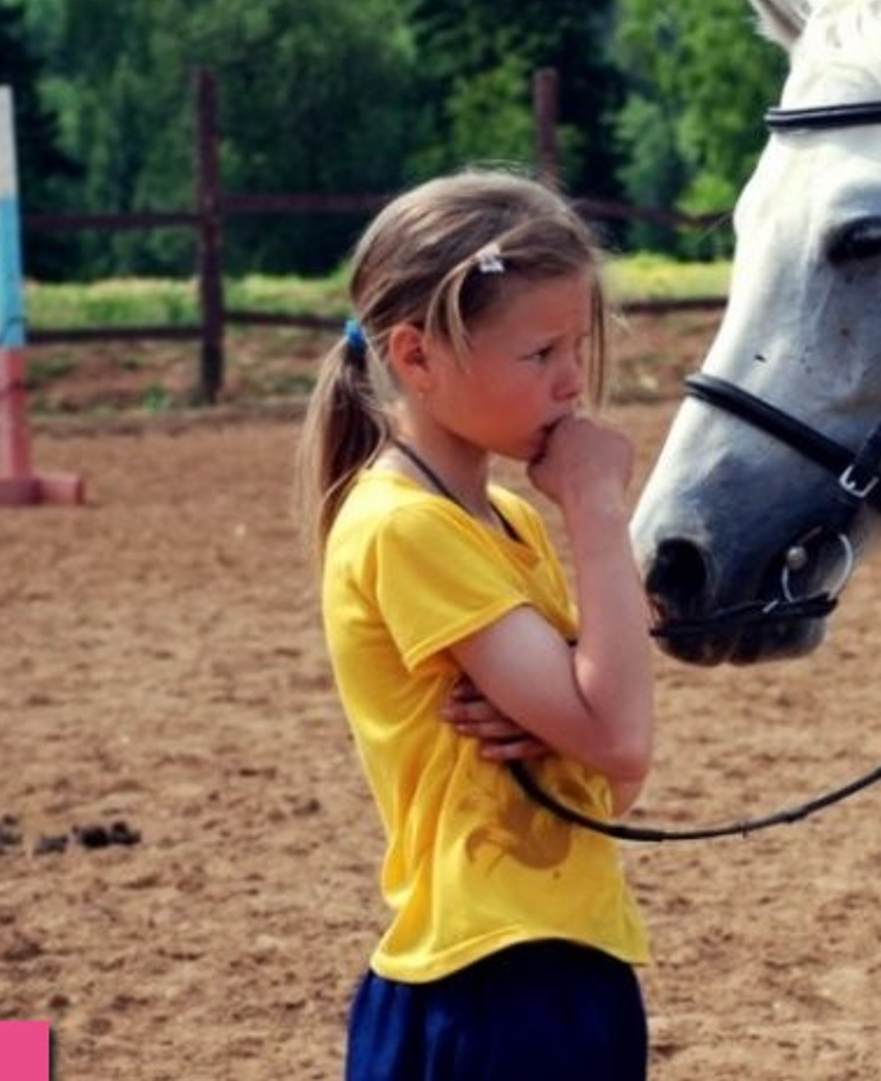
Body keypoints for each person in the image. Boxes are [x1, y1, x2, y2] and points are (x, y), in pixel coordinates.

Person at [297, 170, 654, 1080]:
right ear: (415, 357)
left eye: (578, 345)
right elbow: (618, 731)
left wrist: (569, 719)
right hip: (486, 984)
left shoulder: (510, 522)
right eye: (540, 354)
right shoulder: (404, 526)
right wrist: (598, 507)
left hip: (570, 958)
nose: (574, 381)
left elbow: (614, 778)